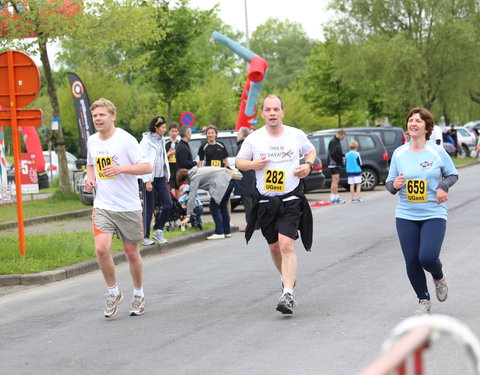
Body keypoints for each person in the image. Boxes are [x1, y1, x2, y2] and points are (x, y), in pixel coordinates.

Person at [236, 94, 316, 315]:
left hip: (290, 199)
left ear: (282, 112)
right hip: (265, 202)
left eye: (276, 109)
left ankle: (288, 294)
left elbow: (310, 151)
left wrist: (307, 165)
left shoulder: (296, 135)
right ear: (263, 113)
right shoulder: (254, 138)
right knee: (273, 246)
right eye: (268, 110)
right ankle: (286, 277)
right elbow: (239, 162)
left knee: (286, 244)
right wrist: (253, 164)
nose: (272, 113)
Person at [386, 107, 458, 315]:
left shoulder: (437, 151)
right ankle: (423, 300)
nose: (413, 124)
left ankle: (439, 277)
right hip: (406, 214)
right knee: (411, 259)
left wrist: (443, 187)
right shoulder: (399, 153)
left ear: (427, 127)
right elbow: (390, 183)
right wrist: (396, 185)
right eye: (410, 120)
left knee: (427, 257)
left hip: (433, 212)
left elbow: (452, 174)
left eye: (418, 121)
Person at [84, 98, 152, 318]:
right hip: (103, 205)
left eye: (102, 115)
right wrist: (90, 178)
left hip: (128, 206)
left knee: (131, 253)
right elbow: (91, 163)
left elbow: (147, 166)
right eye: (95, 116)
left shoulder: (126, 140)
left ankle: (139, 293)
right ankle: (113, 291)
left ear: (112, 116)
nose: (98, 119)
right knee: (102, 248)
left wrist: (121, 169)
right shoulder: (92, 141)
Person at [139, 116, 173, 245]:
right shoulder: (146, 141)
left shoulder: (161, 140)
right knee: (149, 207)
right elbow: (142, 160)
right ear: (156, 128)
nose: (165, 130)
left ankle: (158, 229)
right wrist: (147, 181)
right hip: (149, 179)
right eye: (163, 127)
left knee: (168, 204)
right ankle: (145, 236)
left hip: (160, 178)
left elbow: (162, 159)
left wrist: (166, 175)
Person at [178, 166, 234, 239]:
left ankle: (219, 232)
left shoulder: (194, 177)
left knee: (213, 206)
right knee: (223, 206)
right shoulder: (196, 172)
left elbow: (192, 197)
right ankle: (227, 231)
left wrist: (188, 216)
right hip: (230, 179)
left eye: (183, 183)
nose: (186, 184)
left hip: (223, 182)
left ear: (184, 179)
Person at [233, 127, 256, 230]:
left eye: (238, 134)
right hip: (251, 176)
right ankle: (256, 224)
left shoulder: (243, 145)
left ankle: (251, 224)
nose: (237, 136)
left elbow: (240, 162)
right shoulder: (250, 144)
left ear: (243, 135)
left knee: (248, 202)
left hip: (245, 177)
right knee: (252, 201)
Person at [327, 129, 346, 204]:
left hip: (336, 163)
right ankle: (333, 197)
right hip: (333, 163)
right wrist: (340, 158)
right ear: (340, 134)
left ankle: (335, 196)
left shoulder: (337, 141)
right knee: (335, 180)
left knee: (336, 180)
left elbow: (338, 152)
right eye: (343, 137)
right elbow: (333, 153)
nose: (343, 138)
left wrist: (343, 156)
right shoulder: (333, 142)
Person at [165, 122, 180, 194]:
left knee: (179, 187)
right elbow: (162, 157)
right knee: (171, 187)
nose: (174, 133)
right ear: (169, 132)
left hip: (178, 168)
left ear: (178, 132)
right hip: (169, 168)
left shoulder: (180, 143)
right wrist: (168, 154)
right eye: (172, 131)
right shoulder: (165, 143)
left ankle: (179, 204)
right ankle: (173, 203)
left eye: (176, 131)